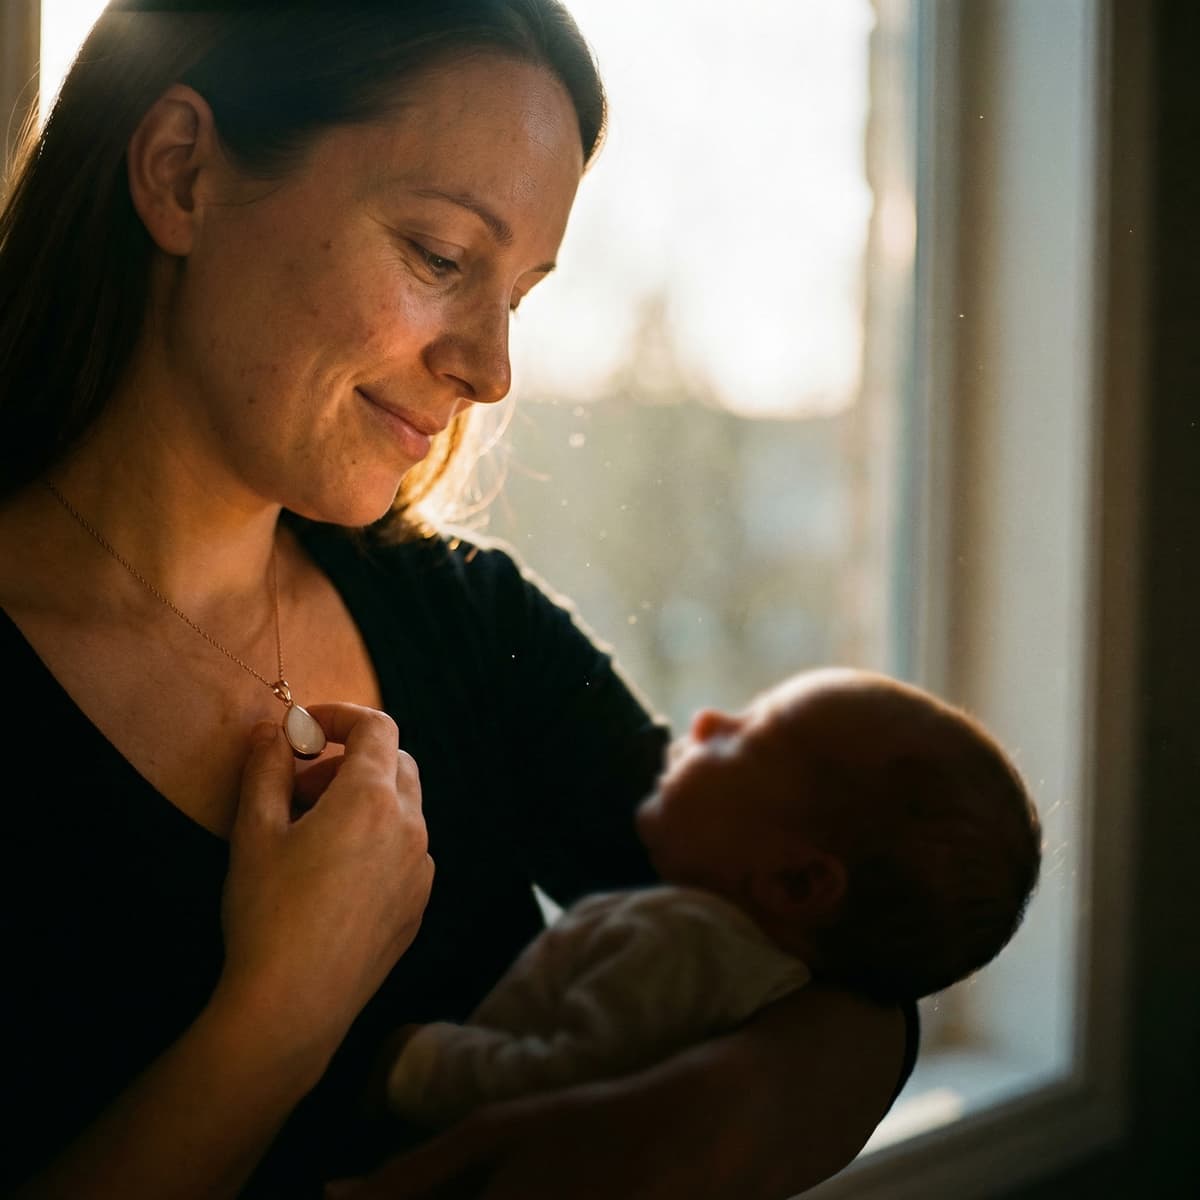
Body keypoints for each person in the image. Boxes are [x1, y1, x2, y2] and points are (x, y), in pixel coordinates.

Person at [0, 3, 917, 1197]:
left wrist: (673, 1131)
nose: (491, 369)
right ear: (182, 174)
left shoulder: (466, 626)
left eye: (520, 296)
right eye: (440, 256)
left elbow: (846, 961)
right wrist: (284, 1011)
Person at [381, 667, 1041, 1130]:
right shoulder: (762, 979)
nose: (705, 720)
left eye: (739, 738)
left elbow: (562, 1092)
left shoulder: (678, 948)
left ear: (797, 883)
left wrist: (418, 1064)